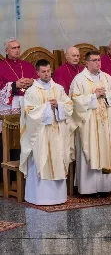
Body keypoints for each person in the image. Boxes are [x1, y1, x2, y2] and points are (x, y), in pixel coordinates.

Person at [20, 59, 73, 205]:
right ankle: (40, 197)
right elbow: (29, 113)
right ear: (37, 73)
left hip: (57, 133)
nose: (46, 74)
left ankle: (58, 197)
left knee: (58, 159)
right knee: (41, 159)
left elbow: (69, 106)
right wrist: (47, 107)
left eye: (49, 71)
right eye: (43, 71)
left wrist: (59, 106)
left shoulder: (59, 89)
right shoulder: (31, 91)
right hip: (40, 135)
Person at [70, 50, 111, 196]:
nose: (97, 62)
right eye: (94, 60)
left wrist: (106, 94)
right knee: (91, 150)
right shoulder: (79, 79)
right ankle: (89, 189)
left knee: (106, 150)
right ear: (86, 63)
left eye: (99, 60)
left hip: (106, 124)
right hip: (89, 124)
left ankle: (107, 187)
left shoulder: (106, 77)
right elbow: (75, 101)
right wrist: (94, 96)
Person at [0, 38, 36, 116]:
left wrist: (32, 81)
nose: (17, 50)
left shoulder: (28, 66)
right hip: (10, 104)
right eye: (13, 48)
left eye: (18, 47)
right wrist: (14, 85)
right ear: (6, 51)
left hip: (29, 102)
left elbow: (39, 81)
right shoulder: (1, 67)